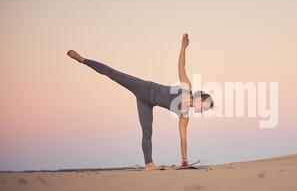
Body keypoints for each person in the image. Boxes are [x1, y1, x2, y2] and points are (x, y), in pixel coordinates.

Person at [66, 33, 214, 170]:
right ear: (200, 97)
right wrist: (183, 47)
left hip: (146, 103)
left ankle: (149, 164)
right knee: (112, 73)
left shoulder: (185, 116)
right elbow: (181, 66)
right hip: (144, 87)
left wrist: (184, 159)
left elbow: (183, 138)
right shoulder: (186, 87)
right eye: (204, 106)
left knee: (147, 131)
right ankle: (82, 60)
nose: (203, 110)